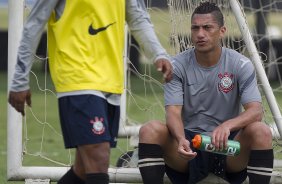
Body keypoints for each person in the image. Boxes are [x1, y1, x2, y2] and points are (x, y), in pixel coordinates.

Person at [8, 0, 172, 184]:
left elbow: (138, 17)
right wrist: (19, 80)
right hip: (76, 79)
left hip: (111, 82)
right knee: (99, 157)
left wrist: (158, 54)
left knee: (83, 171)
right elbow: (34, 25)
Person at [138, 2, 273, 184]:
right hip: (189, 145)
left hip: (228, 146)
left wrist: (227, 126)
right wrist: (179, 139)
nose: (200, 34)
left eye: (207, 27)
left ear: (222, 31)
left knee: (262, 131)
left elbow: (256, 111)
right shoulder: (176, 66)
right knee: (149, 130)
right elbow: (173, 113)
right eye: (195, 28)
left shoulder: (240, 64)